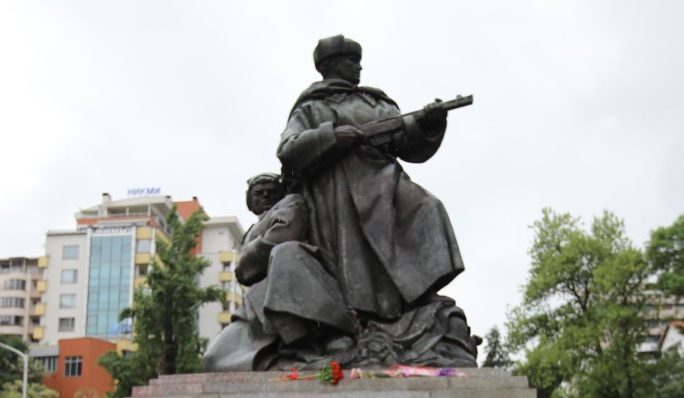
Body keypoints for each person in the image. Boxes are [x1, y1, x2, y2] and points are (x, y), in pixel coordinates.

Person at [274, 34, 478, 367]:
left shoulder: (375, 102)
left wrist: (428, 123)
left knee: (429, 208)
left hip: (385, 182)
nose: (359, 66)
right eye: (352, 61)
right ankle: (355, 323)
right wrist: (332, 136)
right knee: (352, 249)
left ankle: (417, 308)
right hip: (335, 192)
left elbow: (404, 138)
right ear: (332, 66)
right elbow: (289, 150)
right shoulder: (311, 106)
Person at [202, 174, 355, 371]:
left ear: (282, 194)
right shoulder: (252, 229)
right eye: (259, 193)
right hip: (255, 307)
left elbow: (283, 236)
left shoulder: (292, 203)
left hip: (292, 288)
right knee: (214, 360)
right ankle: (282, 362)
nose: (265, 196)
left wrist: (245, 263)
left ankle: (314, 341)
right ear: (250, 202)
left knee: (284, 252)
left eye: (271, 191)